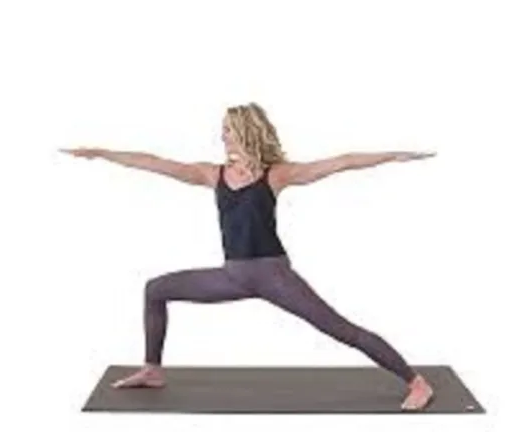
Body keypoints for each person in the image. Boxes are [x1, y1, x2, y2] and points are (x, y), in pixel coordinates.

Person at [60, 102, 437, 410]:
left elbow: (342, 161)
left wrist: (392, 155)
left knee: (342, 330)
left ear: (245, 131)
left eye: (227, 128)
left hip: (274, 276)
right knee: (155, 289)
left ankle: (416, 382)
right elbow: (153, 162)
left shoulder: (277, 174)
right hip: (232, 276)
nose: (221, 135)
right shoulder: (212, 174)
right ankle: (152, 370)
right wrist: (102, 154)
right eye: (222, 129)